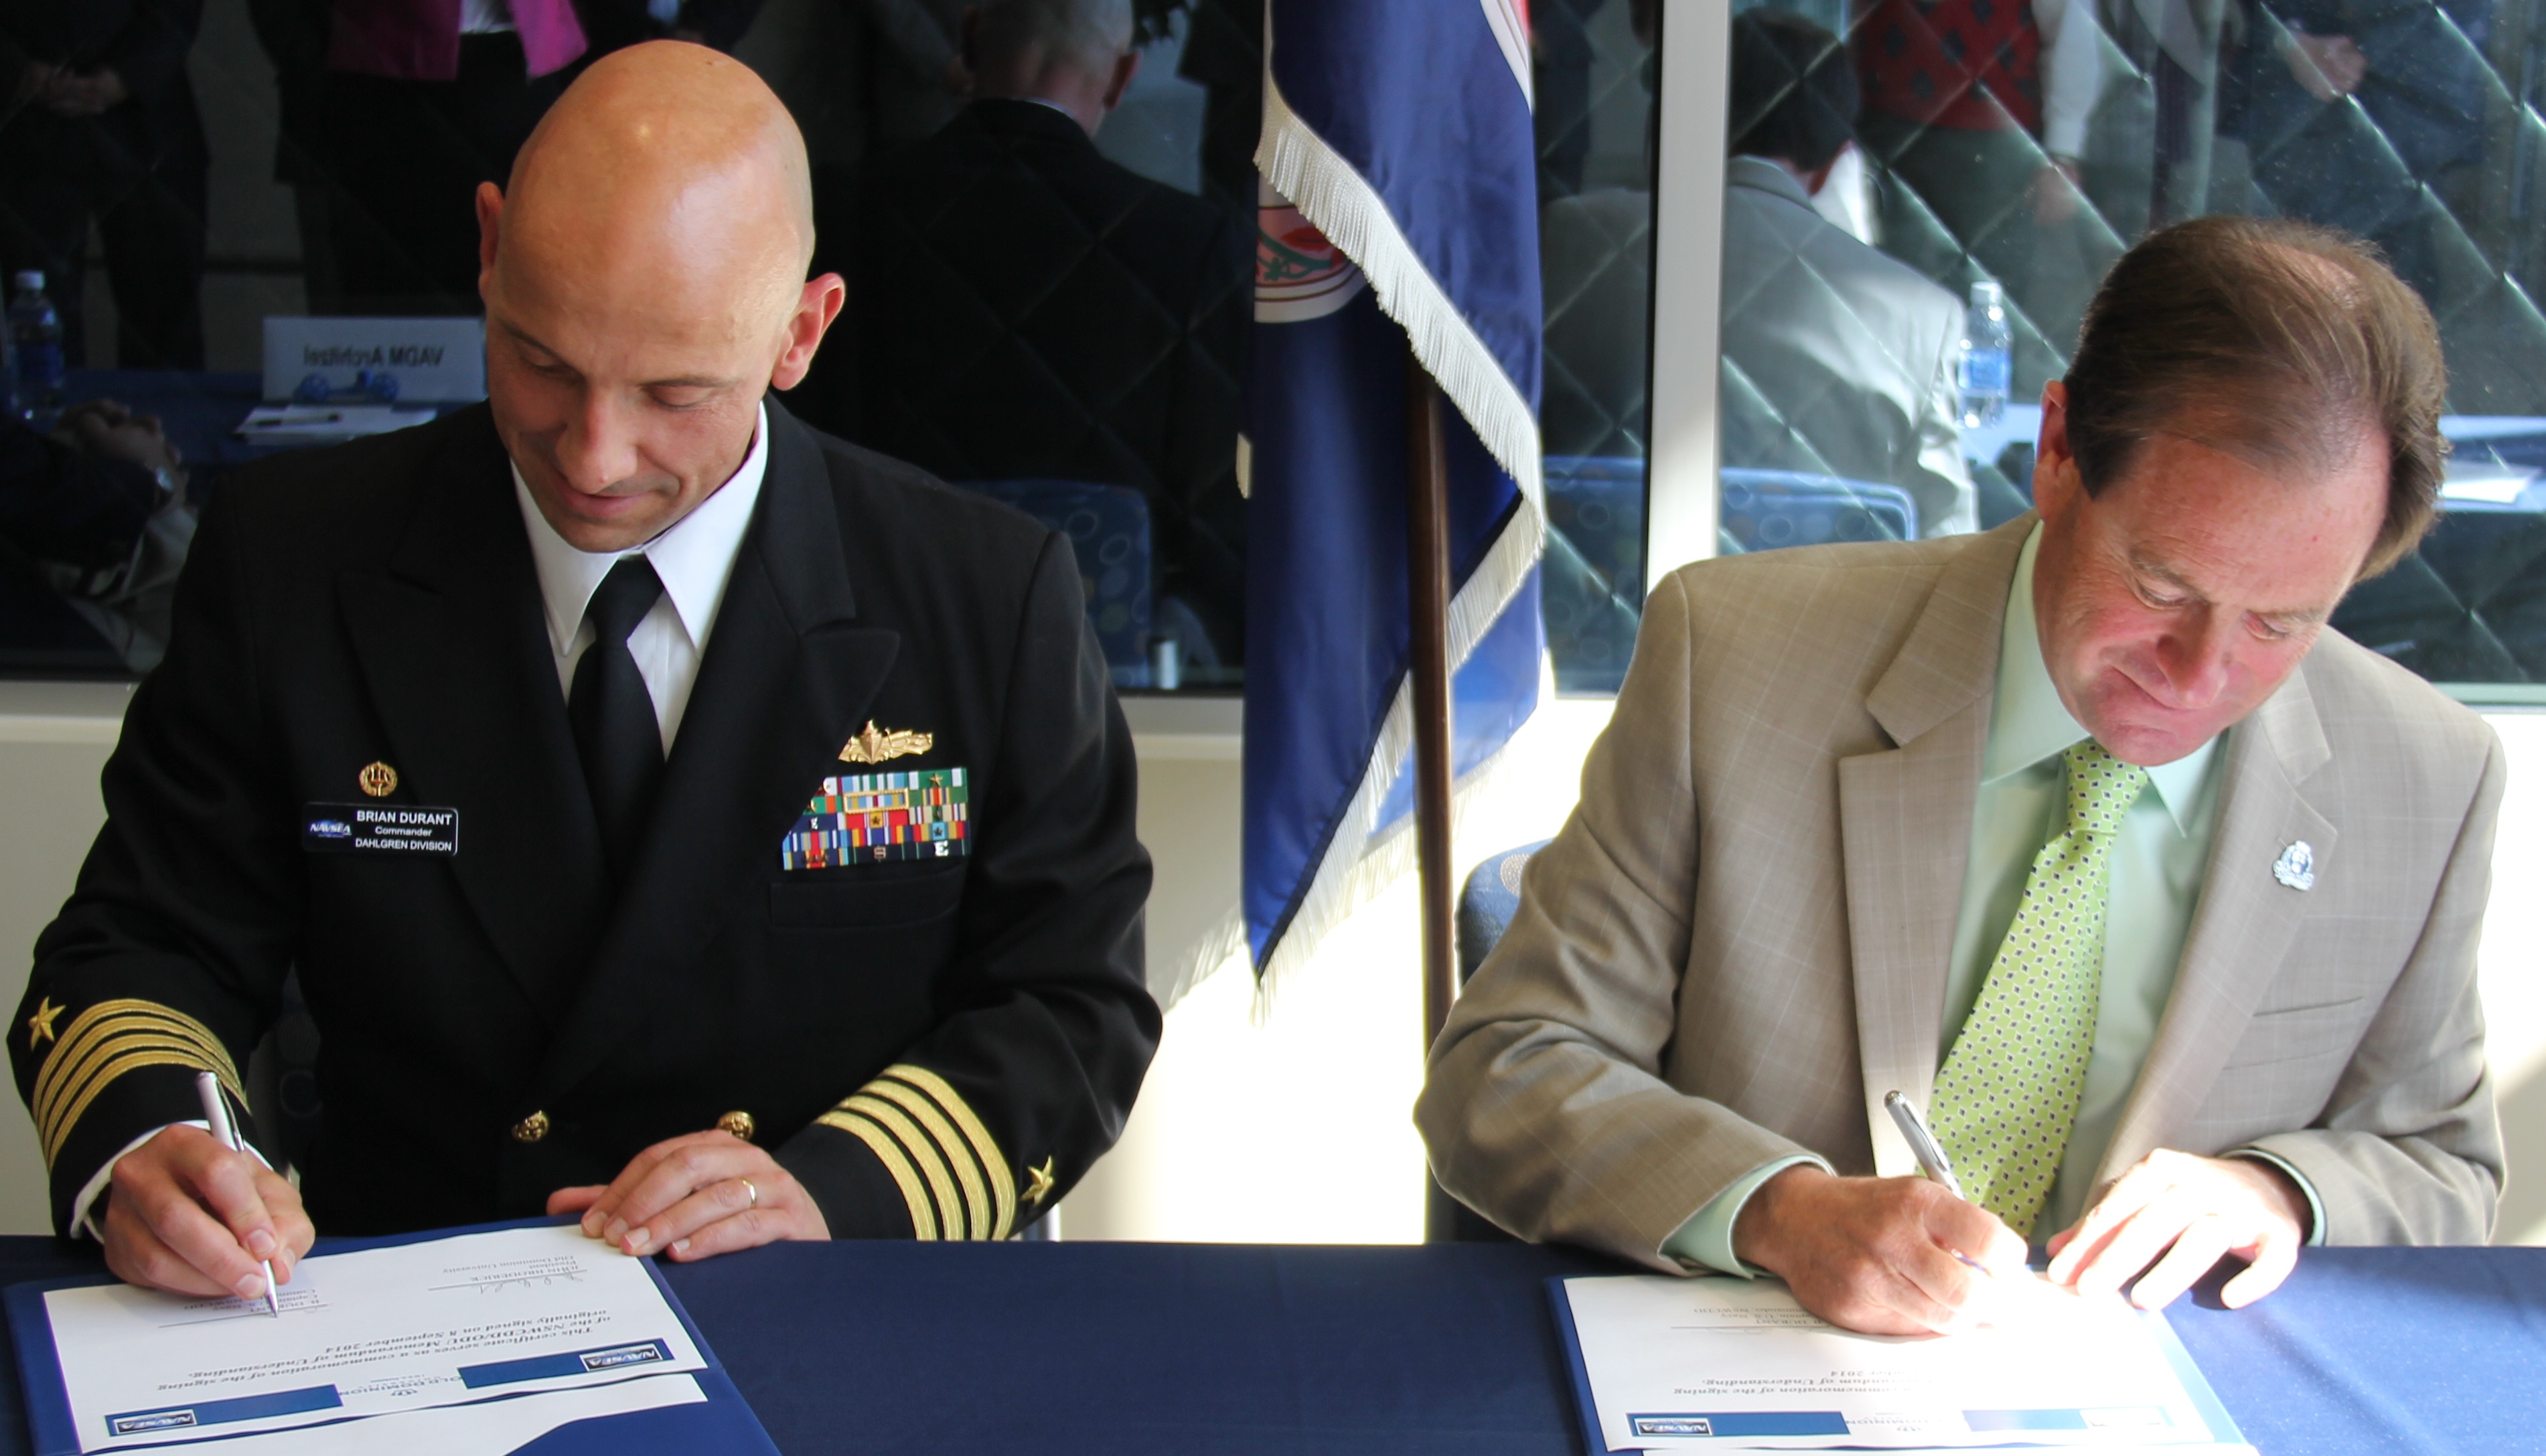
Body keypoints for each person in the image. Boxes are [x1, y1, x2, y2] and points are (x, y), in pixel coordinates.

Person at [11, 41, 1158, 1305]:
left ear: (800, 332)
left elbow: (1068, 1005)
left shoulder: (985, 603)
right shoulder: (297, 557)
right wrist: (157, 1145)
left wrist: (837, 1188)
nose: (595, 457)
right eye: (542, 360)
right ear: (489, 247)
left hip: (817, 1306)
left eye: (676, 393)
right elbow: (144, 943)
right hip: (406, 1312)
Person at [1418, 216, 2499, 1335]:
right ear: (2057, 448)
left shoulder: (2425, 776)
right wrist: (1778, 1212)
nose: (2200, 674)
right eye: (2161, 585)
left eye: (2282, 623)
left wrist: (2276, 1190)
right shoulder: (1734, 660)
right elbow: (1504, 1072)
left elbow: (2441, 1164)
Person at [797, 0, 1250, 663]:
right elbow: (1219, 510)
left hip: (873, 651)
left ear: (975, 37)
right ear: (1123, 76)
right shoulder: (1197, 249)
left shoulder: (834, 215)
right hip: (1100, 673)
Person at [1716, 11, 1974, 539]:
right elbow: (1949, 537)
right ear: (1838, 162)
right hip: (1823, 614)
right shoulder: (1923, 315)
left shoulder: (1571, 236)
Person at [0, 0, 209, 368]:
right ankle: (54, 423)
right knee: (39, 323)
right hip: (25, 132)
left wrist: (123, 78)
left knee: (165, 327)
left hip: (148, 127)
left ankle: (164, 424)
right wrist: (20, 74)